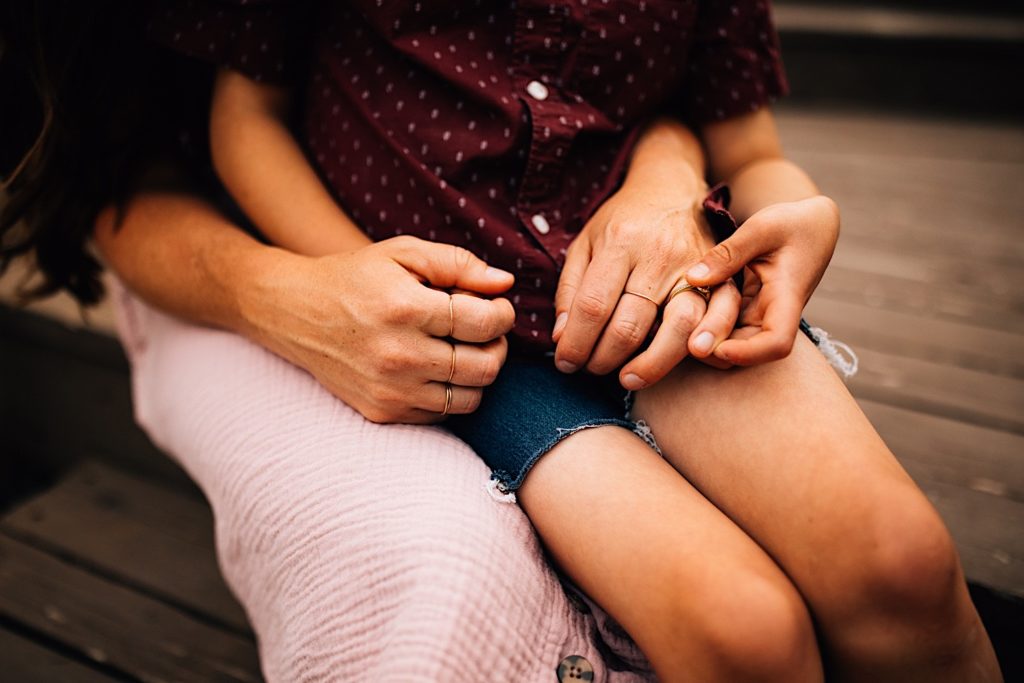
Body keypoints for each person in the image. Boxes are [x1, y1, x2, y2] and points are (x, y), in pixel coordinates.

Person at [2, 1, 1002, 682]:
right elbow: (242, 115)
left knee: (901, 563)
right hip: (479, 345)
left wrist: (794, 213)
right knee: (740, 626)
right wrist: (350, 280)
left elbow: (750, 150)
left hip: (658, 295)